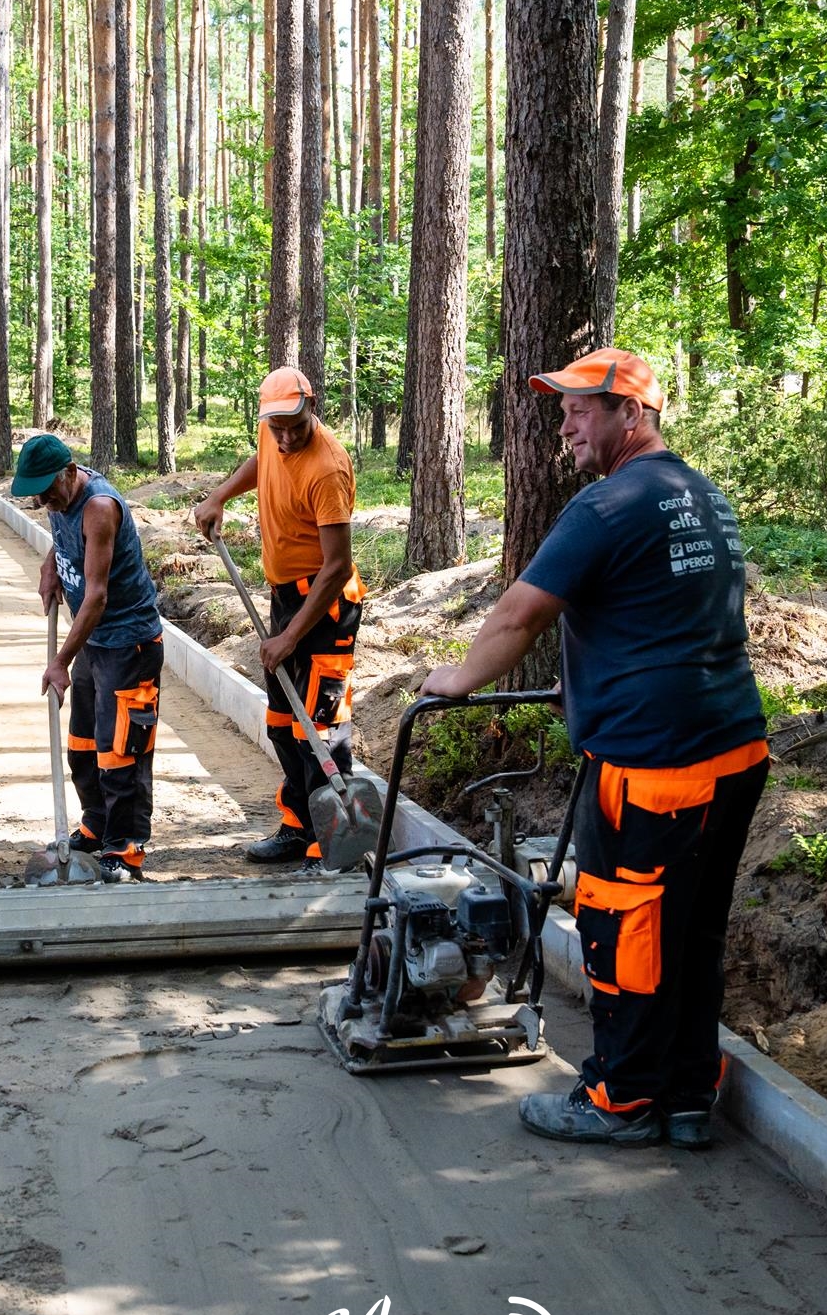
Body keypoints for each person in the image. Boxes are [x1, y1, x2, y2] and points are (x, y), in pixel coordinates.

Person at [421, 349, 766, 1151]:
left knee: (627, 930)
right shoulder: (697, 494)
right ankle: (685, 1096)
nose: (565, 425)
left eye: (583, 409)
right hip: (733, 750)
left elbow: (518, 616)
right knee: (694, 930)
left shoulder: (607, 506)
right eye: (564, 409)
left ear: (631, 416)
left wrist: (459, 677)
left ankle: (621, 1099)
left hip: (654, 765)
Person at [191, 367, 366, 865]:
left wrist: (290, 636)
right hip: (288, 596)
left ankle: (332, 843)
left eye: (295, 425)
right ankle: (297, 827)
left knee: (321, 726)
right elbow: (262, 461)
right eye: (277, 428)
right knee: (283, 721)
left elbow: (336, 568)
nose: (286, 438)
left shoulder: (326, 469)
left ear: (312, 407)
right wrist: (220, 494)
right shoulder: (275, 434)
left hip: (326, 606)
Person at [12, 433, 167, 881]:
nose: (44, 499)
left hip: (127, 643)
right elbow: (66, 538)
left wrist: (60, 660)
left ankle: (126, 847)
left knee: (121, 750)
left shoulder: (99, 507)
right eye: (36, 492)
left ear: (70, 470)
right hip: (95, 642)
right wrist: (50, 564)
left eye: (48, 488)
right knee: (84, 743)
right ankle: (96, 825)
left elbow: (96, 597)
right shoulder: (60, 500)